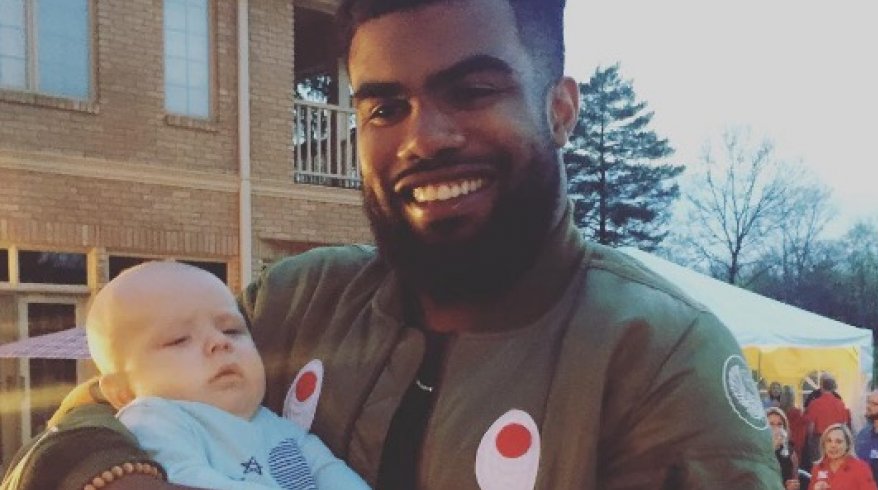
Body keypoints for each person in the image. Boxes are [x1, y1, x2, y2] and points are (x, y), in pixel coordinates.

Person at [2, 0, 780, 488]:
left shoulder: (653, 356)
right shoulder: (294, 303)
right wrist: (116, 474)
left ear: (562, 109)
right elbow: (100, 407)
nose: (423, 139)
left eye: (472, 91)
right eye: (384, 109)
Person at [83, 261, 368, 490]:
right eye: (179, 339)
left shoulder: (278, 426)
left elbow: (330, 472)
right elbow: (183, 477)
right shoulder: (154, 418)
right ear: (124, 391)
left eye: (232, 330)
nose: (221, 343)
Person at [809, 423, 877, 490]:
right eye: (829, 441)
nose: (833, 445)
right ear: (824, 444)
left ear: (847, 445)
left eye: (838, 441)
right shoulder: (818, 467)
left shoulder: (861, 468)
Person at [805, 375, 851, 465]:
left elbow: (811, 427)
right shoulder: (840, 403)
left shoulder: (815, 404)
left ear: (821, 387)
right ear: (833, 388)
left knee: (819, 467)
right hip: (837, 440)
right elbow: (844, 425)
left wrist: (809, 442)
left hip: (819, 440)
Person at [767, 407, 802, 490]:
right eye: (771, 424)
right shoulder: (757, 450)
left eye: (779, 424)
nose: (776, 428)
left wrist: (794, 486)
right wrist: (773, 448)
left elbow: (795, 479)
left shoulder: (790, 452)